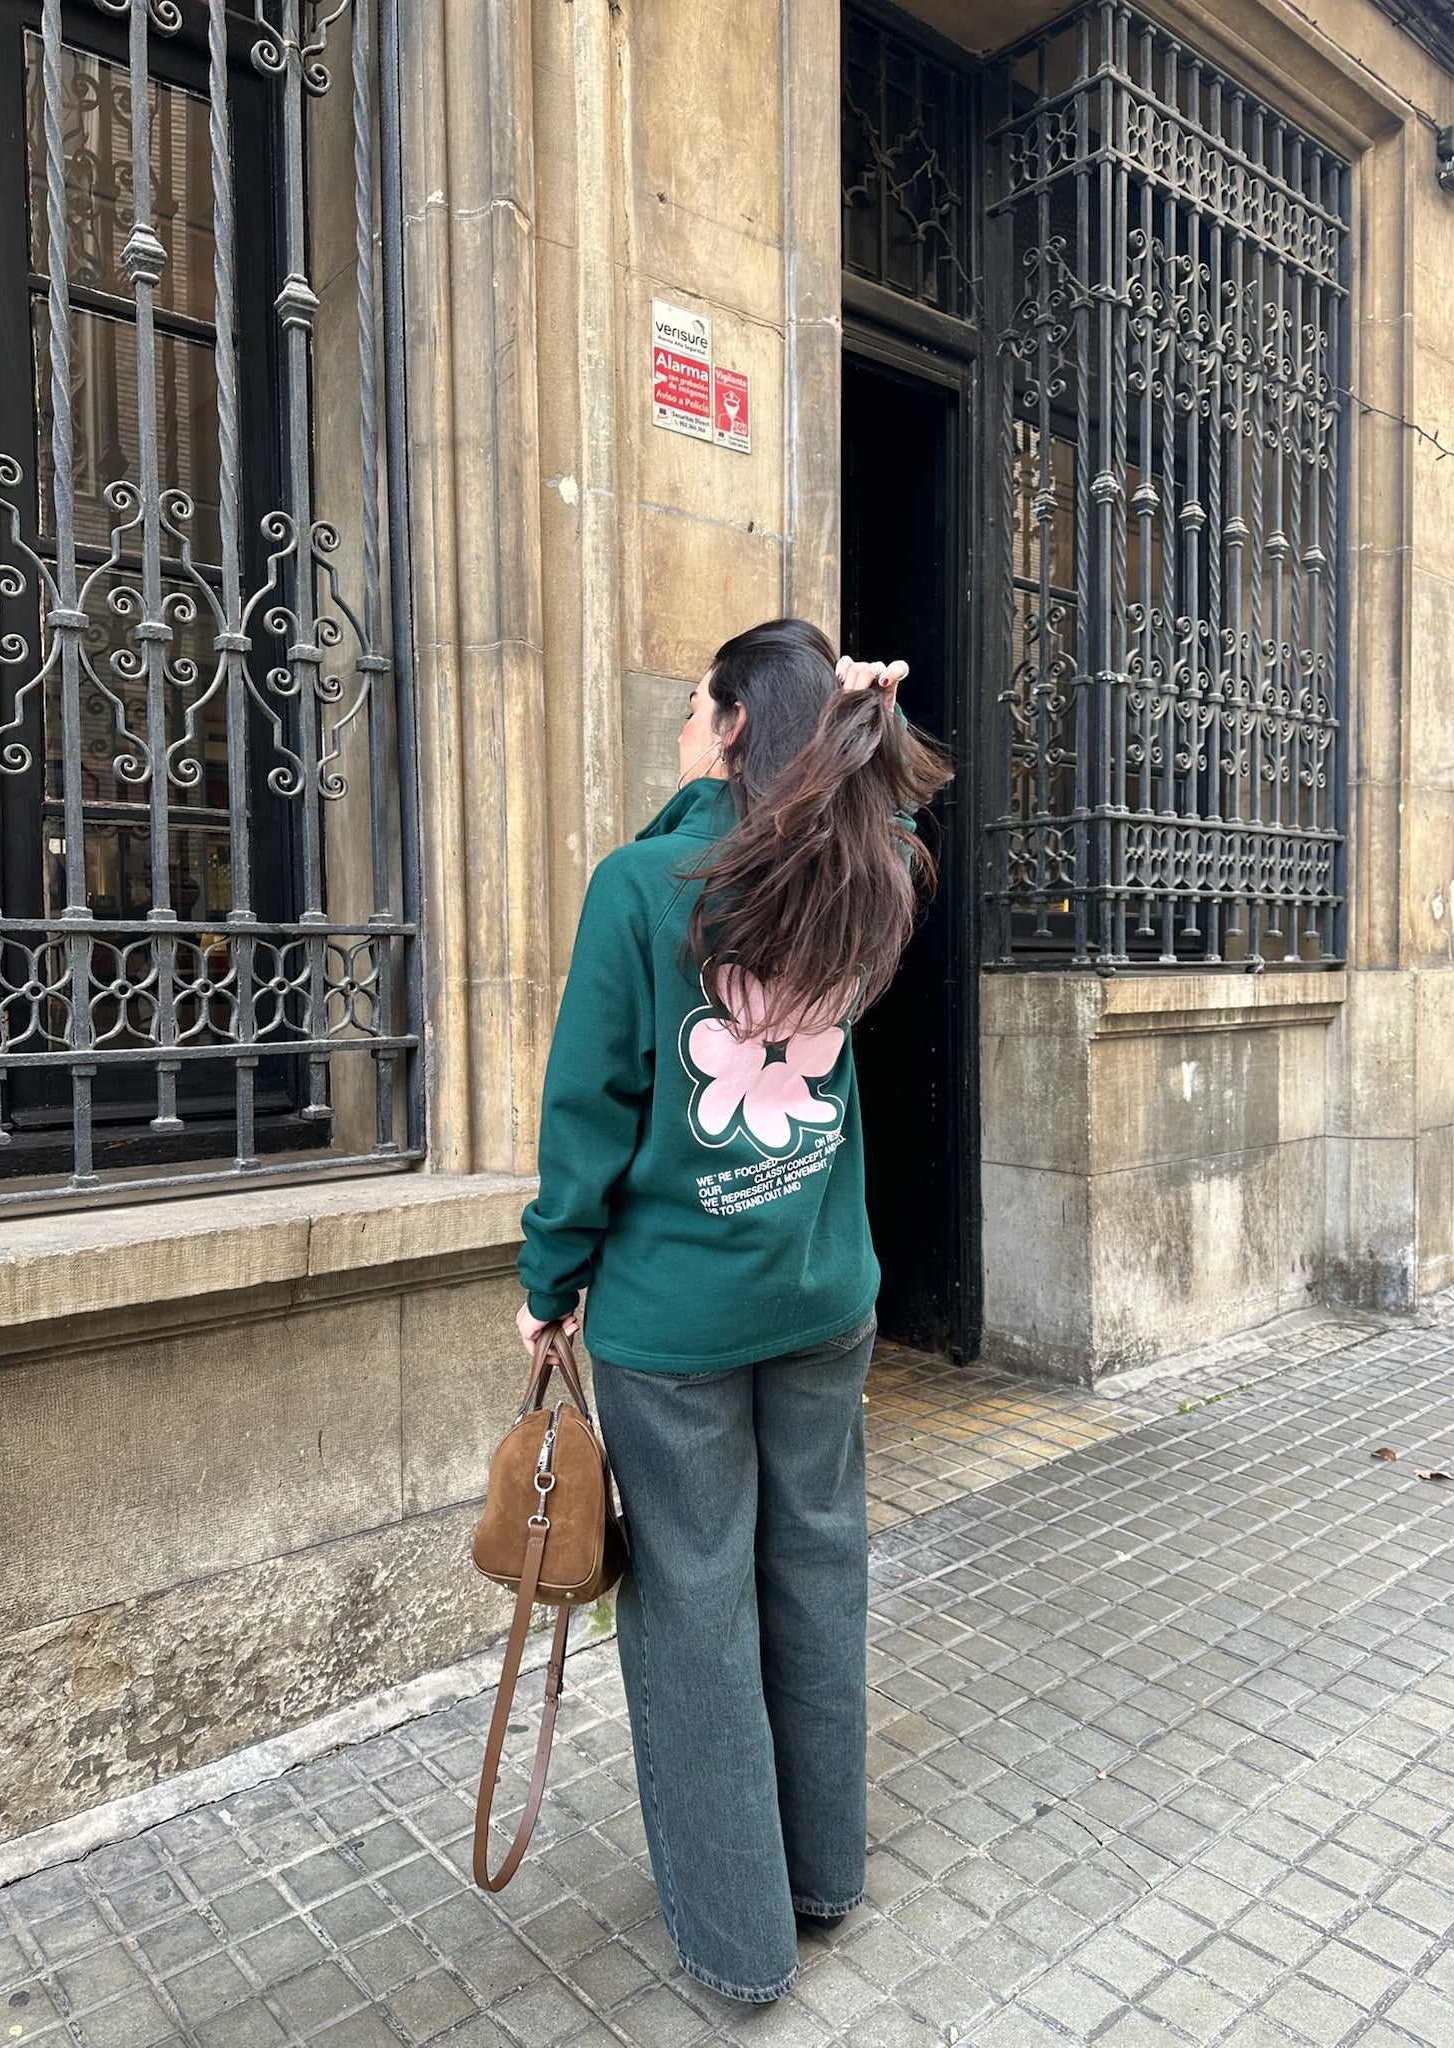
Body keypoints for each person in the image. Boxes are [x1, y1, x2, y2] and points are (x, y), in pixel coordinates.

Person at [515, 619, 952, 2003]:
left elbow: (589, 1110)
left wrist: (548, 1281)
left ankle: (738, 1940)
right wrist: (862, 728)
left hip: (677, 1326)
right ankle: (823, 1875)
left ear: (732, 726)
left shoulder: (640, 886)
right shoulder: (867, 874)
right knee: (817, 1567)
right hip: (823, 1297)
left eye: (696, 709)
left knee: (696, 1608)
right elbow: (871, 821)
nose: (681, 727)